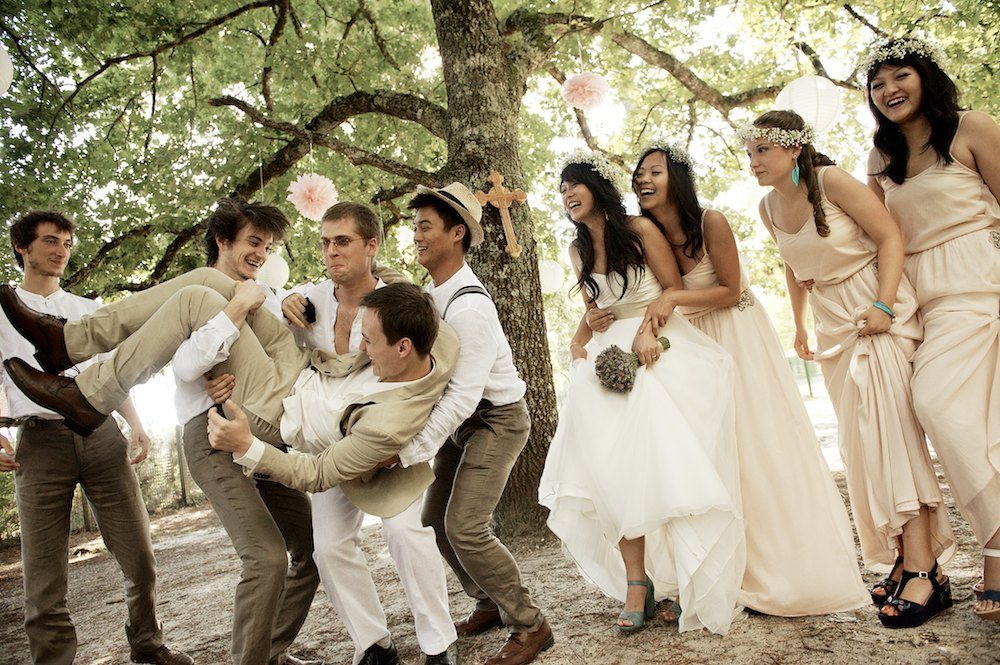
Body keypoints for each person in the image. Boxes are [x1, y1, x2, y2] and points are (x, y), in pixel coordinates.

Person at [585, 140, 868, 616]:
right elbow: (637, 293)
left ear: (677, 178)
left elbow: (730, 289)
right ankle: (716, 575)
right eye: (639, 174)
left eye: (654, 171)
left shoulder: (709, 221)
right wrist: (598, 319)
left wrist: (672, 300)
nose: (643, 180)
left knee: (751, 447)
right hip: (688, 343)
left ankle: (772, 569)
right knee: (706, 456)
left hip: (735, 333)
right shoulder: (645, 233)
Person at [0, 269, 458, 513]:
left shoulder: (385, 426)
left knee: (197, 303)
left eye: (369, 341)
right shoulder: (438, 337)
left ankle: (90, 396)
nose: (361, 346)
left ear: (402, 348)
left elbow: (315, 474)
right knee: (216, 282)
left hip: (278, 411)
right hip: (298, 368)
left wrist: (248, 446)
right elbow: (401, 291)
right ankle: (71, 340)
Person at [745, 109, 955, 628]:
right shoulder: (768, 206)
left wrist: (884, 305)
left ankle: (925, 569)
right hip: (831, 324)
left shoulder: (831, 181)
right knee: (863, 446)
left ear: (794, 147)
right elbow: (794, 266)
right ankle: (905, 558)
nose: (754, 161)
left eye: (762, 150)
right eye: (749, 153)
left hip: (872, 310)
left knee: (893, 436)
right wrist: (799, 324)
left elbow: (889, 236)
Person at [538, 151, 745, 635]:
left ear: (596, 186)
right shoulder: (576, 250)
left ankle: (689, 580)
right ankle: (637, 583)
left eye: (574, 184)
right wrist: (580, 335)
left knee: (667, 468)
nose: (567, 195)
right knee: (611, 474)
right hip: (606, 363)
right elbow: (594, 308)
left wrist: (648, 331)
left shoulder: (639, 230)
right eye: (561, 190)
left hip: (656, 348)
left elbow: (671, 291)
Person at [0, 211, 193, 665]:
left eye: (67, 243)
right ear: (22, 247)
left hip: (101, 434)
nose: (61, 251)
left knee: (140, 556)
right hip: (39, 444)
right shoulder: (2, 311)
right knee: (43, 576)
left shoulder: (87, 309)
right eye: (51, 241)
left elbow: (111, 372)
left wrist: (136, 422)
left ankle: (147, 643)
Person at [280, 202, 459, 665]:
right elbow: (287, 343)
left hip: (386, 437)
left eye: (343, 241)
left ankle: (439, 644)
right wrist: (283, 301)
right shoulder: (310, 300)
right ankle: (375, 645)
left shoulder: (398, 301)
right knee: (328, 547)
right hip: (331, 443)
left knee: (405, 532)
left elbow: (430, 370)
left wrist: (411, 444)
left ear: (371, 245)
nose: (331, 251)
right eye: (325, 242)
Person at [863, 37, 1000, 623]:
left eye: (901, 75)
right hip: (919, 299)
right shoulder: (879, 157)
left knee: (938, 403)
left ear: (926, 77)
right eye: (877, 84)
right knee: (957, 421)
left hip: (979, 285)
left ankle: (996, 552)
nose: (889, 90)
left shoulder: (972, 127)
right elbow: (877, 236)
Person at [399, 182, 553, 665]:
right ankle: (488, 601)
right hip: (461, 423)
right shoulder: (433, 294)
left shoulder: (469, 306)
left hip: (496, 421)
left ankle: (530, 624)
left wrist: (413, 450)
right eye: (415, 226)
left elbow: (464, 395)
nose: (416, 235)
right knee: (434, 522)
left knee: (465, 527)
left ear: (457, 233)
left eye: (426, 226)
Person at [168, 197, 321, 665]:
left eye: (268, 247)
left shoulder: (269, 295)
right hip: (211, 433)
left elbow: (290, 359)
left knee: (314, 550)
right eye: (254, 242)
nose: (261, 254)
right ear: (222, 239)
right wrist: (235, 311)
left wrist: (292, 301)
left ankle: (268, 651)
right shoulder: (194, 293)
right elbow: (185, 365)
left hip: (266, 440)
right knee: (266, 558)